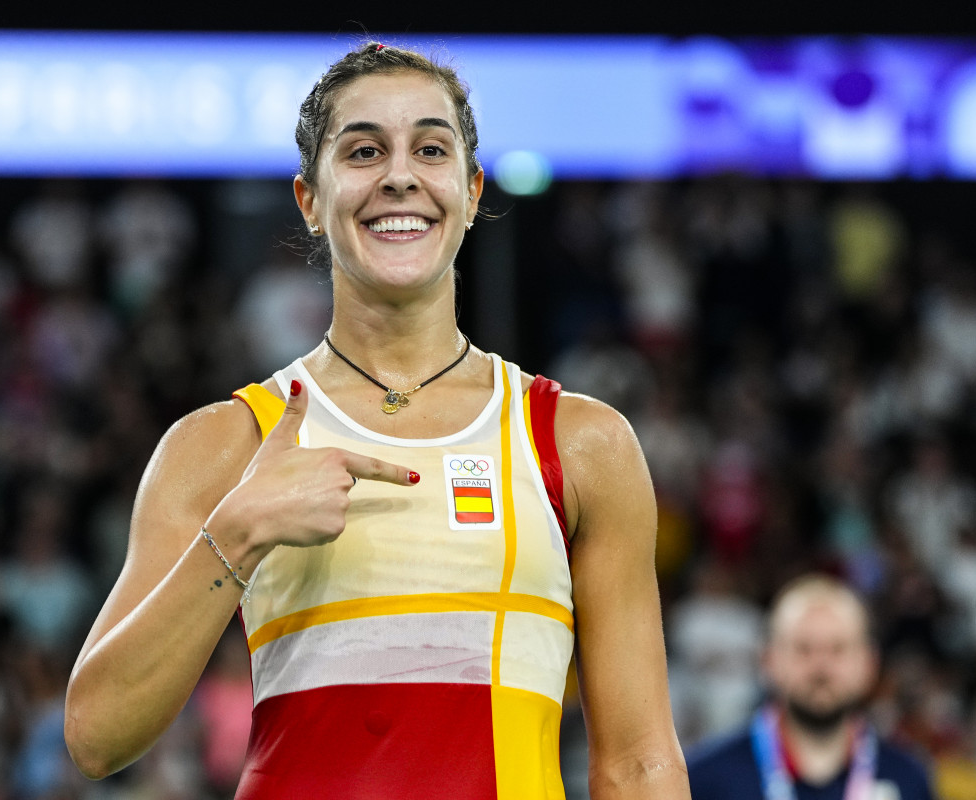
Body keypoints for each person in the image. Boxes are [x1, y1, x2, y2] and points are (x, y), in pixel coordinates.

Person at [64, 41, 689, 799]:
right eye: (363, 151)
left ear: (469, 188)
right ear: (310, 200)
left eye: (430, 148)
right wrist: (236, 533)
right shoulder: (223, 444)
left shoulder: (578, 442)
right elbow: (96, 738)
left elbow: (636, 762)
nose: (399, 176)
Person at [687, 573, 935, 800]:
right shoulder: (705, 779)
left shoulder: (909, 778)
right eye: (803, 649)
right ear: (768, 661)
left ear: (869, 664)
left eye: (838, 649)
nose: (821, 667)